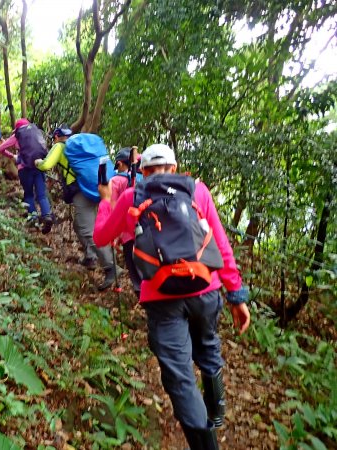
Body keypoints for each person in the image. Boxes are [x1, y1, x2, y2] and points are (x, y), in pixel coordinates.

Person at [93, 143, 250, 449]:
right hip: (206, 288)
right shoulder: (198, 191)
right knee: (207, 346)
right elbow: (221, 244)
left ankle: (206, 443)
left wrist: (105, 202)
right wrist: (236, 295)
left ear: (144, 171)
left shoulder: (130, 197)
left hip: (161, 297)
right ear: (175, 168)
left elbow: (100, 236)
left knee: (180, 377)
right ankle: (216, 413)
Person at [36, 126, 119, 291]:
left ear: (57, 137)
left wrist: (38, 162)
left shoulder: (60, 147)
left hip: (82, 191)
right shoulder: (84, 149)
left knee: (87, 229)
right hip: (101, 188)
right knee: (81, 225)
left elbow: (46, 165)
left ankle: (111, 267)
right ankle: (90, 257)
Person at [0, 118, 54, 233]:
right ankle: (47, 215)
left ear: (17, 128)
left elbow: (1, 148)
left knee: (28, 194)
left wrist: (13, 156)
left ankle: (33, 219)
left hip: (24, 169)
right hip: (38, 165)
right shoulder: (35, 132)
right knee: (41, 195)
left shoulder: (17, 135)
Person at [110, 147, 142, 294]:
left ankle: (142, 296)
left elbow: (113, 211)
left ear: (121, 164)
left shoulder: (116, 181)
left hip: (129, 234)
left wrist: (114, 235)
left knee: (135, 273)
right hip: (150, 230)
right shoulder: (146, 177)